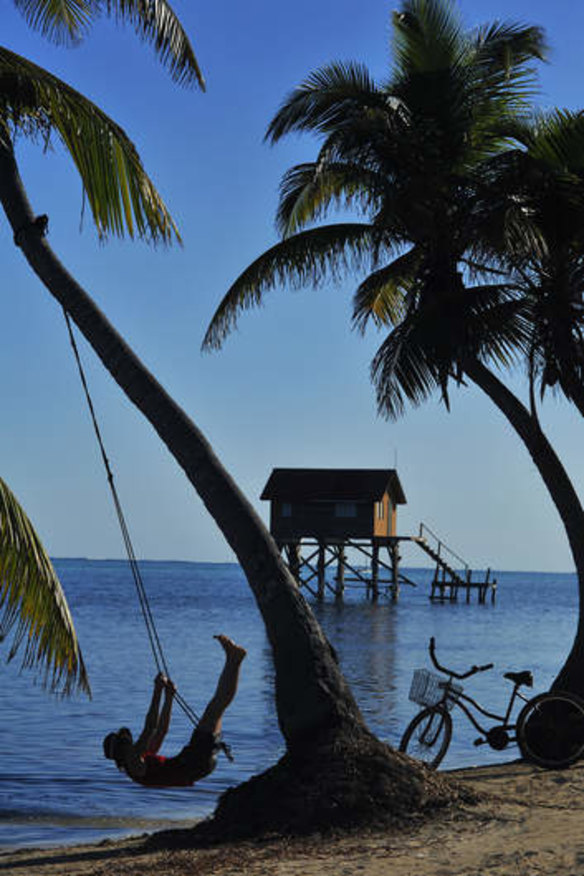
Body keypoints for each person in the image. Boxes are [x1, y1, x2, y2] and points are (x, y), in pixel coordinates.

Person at [103, 634, 246, 787]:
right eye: (124, 739)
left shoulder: (139, 759)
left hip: (198, 764)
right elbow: (150, 728)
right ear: (122, 747)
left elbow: (162, 730)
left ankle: (233, 660)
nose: (129, 740)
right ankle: (234, 659)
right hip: (194, 762)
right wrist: (157, 691)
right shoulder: (132, 761)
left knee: (217, 707)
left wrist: (169, 698)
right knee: (216, 707)